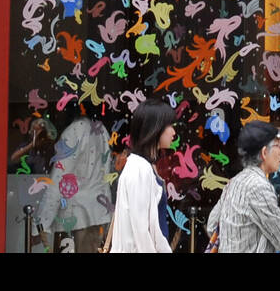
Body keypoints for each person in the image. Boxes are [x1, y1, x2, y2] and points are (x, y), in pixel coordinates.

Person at [206, 122, 280, 253]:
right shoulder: (258, 187)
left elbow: (212, 226)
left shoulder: (234, 182)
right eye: (278, 146)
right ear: (264, 152)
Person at [34, 110, 113, 253]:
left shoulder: (74, 131)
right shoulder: (102, 131)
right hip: (99, 213)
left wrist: (41, 224)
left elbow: (59, 179)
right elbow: (106, 175)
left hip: (76, 217)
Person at [108, 100, 176, 253]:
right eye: (169, 126)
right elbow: (140, 231)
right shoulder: (139, 169)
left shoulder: (144, 166)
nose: (173, 132)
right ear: (155, 128)